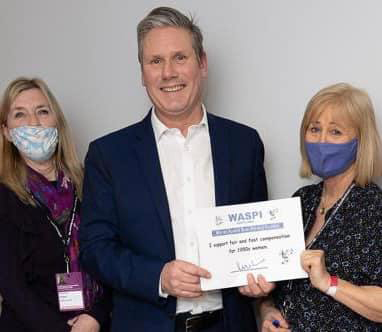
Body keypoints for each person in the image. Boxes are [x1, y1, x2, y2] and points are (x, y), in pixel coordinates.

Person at [79, 6, 269, 332]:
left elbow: (258, 240)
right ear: (142, 73)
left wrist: (259, 284)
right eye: (155, 61)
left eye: (180, 57)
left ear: (202, 63)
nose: (168, 72)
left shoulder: (244, 144)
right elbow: (96, 249)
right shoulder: (108, 155)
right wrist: (158, 277)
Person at [253, 83, 382, 331]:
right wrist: (268, 312)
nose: (322, 141)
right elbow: (274, 285)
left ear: (360, 142)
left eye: (335, 132)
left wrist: (329, 282)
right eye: (314, 129)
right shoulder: (300, 201)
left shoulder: (375, 209)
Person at [0, 77, 111, 332]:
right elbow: (11, 285)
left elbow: (110, 257)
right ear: (6, 131)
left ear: (57, 121)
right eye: (20, 114)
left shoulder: (90, 183)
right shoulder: (4, 196)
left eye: (42, 111)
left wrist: (95, 317)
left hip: (95, 325)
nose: (34, 123)